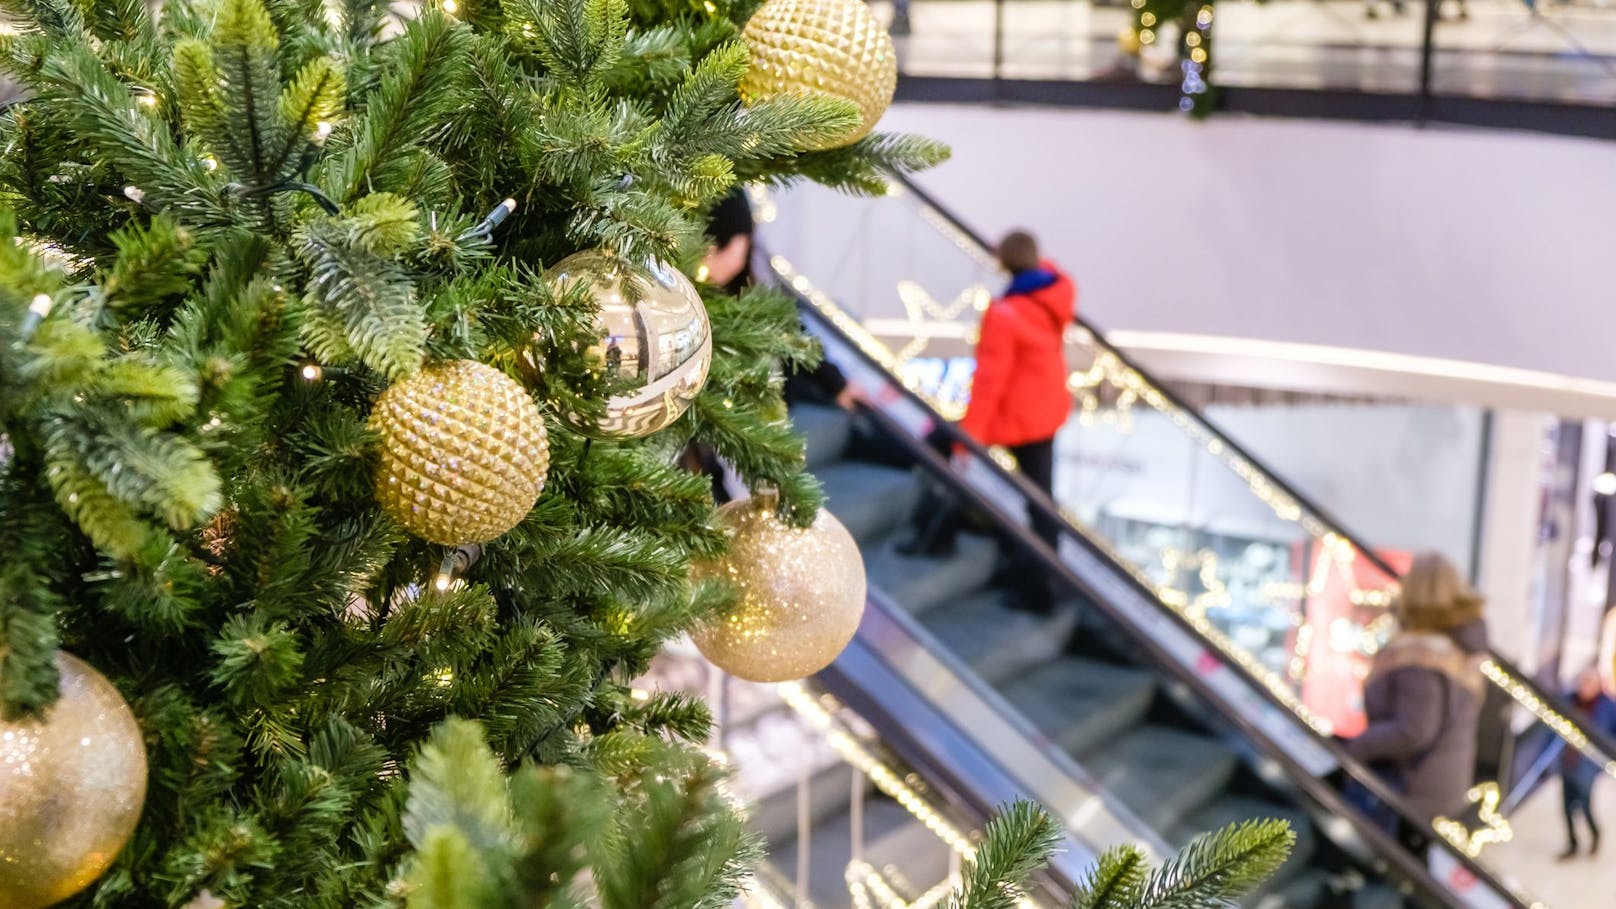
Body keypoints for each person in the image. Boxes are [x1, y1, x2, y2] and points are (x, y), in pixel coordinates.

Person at [899, 230, 1076, 612]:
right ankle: (1044, 587)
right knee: (1041, 503)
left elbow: (989, 385)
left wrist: (968, 441)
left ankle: (935, 535)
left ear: (1002, 263)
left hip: (1015, 415)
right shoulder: (1052, 292)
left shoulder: (1006, 313)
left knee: (936, 449)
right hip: (1045, 411)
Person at [684, 187, 861, 503]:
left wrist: (837, 383)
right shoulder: (687, 301)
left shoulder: (755, 286)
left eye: (717, 248)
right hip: (710, 415)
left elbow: (793, 332)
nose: (709, 262)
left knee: (758, 490)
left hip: (757, 408)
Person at [1342, 552, 1488, 859]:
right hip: (1444, 786)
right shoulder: (1461, 646)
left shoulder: (1421, 657)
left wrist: (1358, 748)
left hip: (1410, 794)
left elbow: (1413, 731)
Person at [1557, 667, 1616, 859]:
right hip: (1568, 761)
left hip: (1588, 765)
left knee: (1584, 805)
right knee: (1566, 807)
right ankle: (1572, 844)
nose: (1585, 687)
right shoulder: (1570, 700)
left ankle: (1595, 836)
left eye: (1590, 683)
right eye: (1583, 683)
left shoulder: (1608, 706)